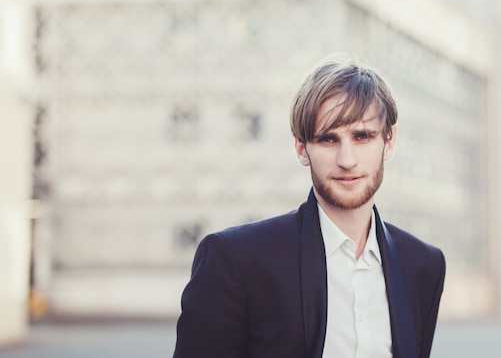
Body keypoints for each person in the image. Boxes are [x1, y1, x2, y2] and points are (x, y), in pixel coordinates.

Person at [173, 53, 446, 358]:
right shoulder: (235, 261)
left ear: (389, 141)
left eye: (362, 136)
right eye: (329, 139)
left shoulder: (424, 265)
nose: (347, 160)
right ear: (302, 149)